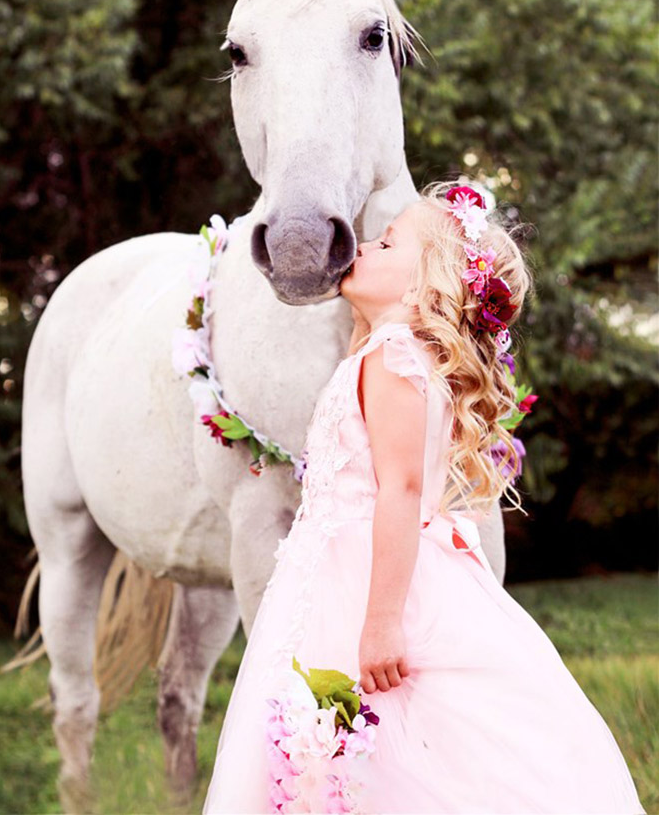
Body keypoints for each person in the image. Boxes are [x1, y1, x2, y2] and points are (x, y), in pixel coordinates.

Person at [202, 180, 645, 814]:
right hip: (333, 570)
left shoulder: (395, 358)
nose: (366, 246)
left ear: (424, 286)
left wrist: (381, 621)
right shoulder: (385, 351)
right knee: (354, 746)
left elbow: (401, 489)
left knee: (388, 738)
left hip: (364, 579)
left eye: (387, 242)